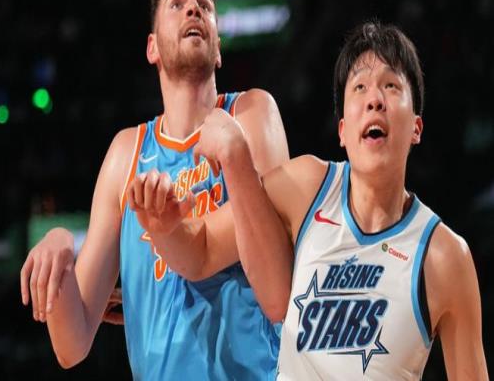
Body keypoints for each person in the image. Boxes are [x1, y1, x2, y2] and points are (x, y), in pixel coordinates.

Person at [127, 21, 489, 380]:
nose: (375, 99)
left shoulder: (444, 257)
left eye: (391, 86)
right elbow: (201, 250)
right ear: (343, 130)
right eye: (359, 87)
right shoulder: (305, 188)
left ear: (416, 128)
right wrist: (165, 229)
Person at [20, 0, 289, 380]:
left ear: (218, 48)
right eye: (177, 4)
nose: (193, 9)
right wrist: (60, 253)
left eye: (204, 5)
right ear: (153, 48)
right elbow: (72, 344)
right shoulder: (126, 153)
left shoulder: (250, 114)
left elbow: (275, 266)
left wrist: (173, 232)